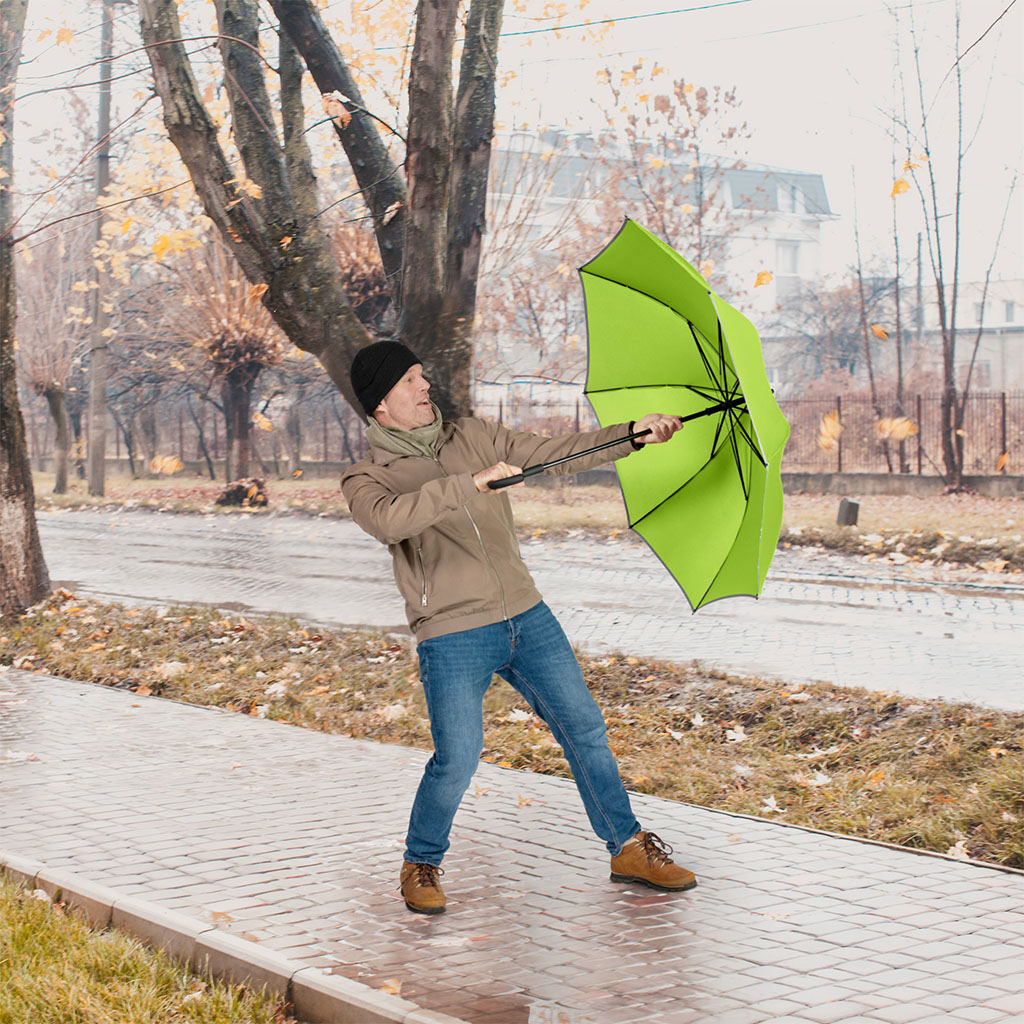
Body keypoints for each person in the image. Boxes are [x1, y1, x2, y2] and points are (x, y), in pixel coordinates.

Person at [341, 340, 697, 915]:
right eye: (410, 379)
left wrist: (634, 433)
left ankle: (628, 847)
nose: (425, 385)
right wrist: (470, 484)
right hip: (452, 632)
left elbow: (559, 451)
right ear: (380, 404)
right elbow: (388, 522)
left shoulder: (475, 436)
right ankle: (422, 862)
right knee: (457, 758)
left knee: (584, 727)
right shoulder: (366, 478)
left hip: (526, 616)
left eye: (423, 373)